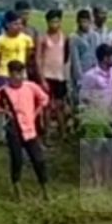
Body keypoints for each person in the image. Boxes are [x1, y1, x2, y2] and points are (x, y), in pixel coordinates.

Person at [0, 61, 51, 201]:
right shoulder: (3, 91)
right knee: (17, 160)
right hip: (14, 130)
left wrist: (36, 113)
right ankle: (18, 191)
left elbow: (45, 99)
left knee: (38, 160)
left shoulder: (30, 87)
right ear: (9, 75)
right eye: (14, 74)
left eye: (20, 74)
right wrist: (2, 110)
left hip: (30, 129)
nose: (17, 77)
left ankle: (45, 190)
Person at [79, 44, 112, 188]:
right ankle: (96, 178)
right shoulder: (91, 75)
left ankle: (107, 176)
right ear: (104, 58)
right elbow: (84, 96)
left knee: (109, 148)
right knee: (96, 149)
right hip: (96, 116)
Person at [37, 9, 70, 139]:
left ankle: (63, 134)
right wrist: (41, 79)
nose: (54, 24)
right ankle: (47, 134)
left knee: (60, 106)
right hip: (46, 75)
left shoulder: (64, 37)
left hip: (60, 76)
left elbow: (66, 56)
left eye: (57, 21)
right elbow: (38, 58)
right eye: (52, 22)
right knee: (47, 106)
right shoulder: (42, 38)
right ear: (47, 22)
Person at [0, 11, 34, 84]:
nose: (19, 26)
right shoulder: (0, 40)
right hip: (4, 75)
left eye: (20, 24)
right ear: (7, 25)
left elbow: (27, 56)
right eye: (15, 24)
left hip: (21, 74)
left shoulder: (27, 39)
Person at [69, 8, 99, 88]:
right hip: (82, 71)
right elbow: (75, 60)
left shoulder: (95, 36)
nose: (84, 24)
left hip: (94, 71)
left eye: (86, 22)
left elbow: (97, 54)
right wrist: (80, 78)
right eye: (81, 22)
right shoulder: (74, 37)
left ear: (90, 21)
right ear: (78, 22)